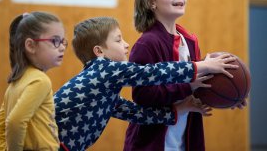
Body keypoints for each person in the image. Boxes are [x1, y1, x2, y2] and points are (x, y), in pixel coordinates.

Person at [54, 17, 237, 151]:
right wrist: (201, 66)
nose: (126, 45)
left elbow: (138, 114)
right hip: (47, 143)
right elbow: (152, 73)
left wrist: (180, 109)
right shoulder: (105, 69)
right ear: (99, 51)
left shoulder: (103, 89)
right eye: (118, 40)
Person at [123, 0, 246, 151]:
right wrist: (189, 85)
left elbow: (195, 90)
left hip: (185, 140)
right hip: (153, 142)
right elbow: (143, 96)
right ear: (151, 2)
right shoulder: (147, 44)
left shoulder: (189, 40)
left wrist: (228, 93)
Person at [0, 12, 67, 151]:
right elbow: (15, 122)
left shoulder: (17, 81)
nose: (62, 47)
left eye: (62, 41)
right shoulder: (40, 81)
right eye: (55, 41)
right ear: (31, 46)